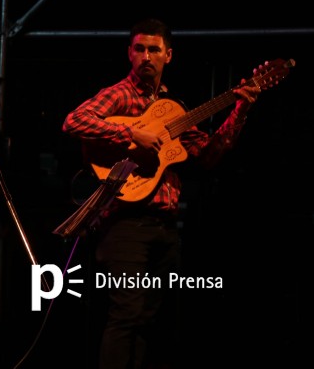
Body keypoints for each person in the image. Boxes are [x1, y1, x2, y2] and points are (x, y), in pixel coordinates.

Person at [61, 18, 261, 369]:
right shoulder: (120, 94)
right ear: (129, 53)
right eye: (139, 49)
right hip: (124, 225)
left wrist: (240, 109)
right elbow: (74, 121)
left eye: (154, 49)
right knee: (127, 315)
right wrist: (132, 136)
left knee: (149, 321)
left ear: (169, 55)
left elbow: (209, 153)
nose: (146, 56)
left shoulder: (171, 108)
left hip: (165, 227)